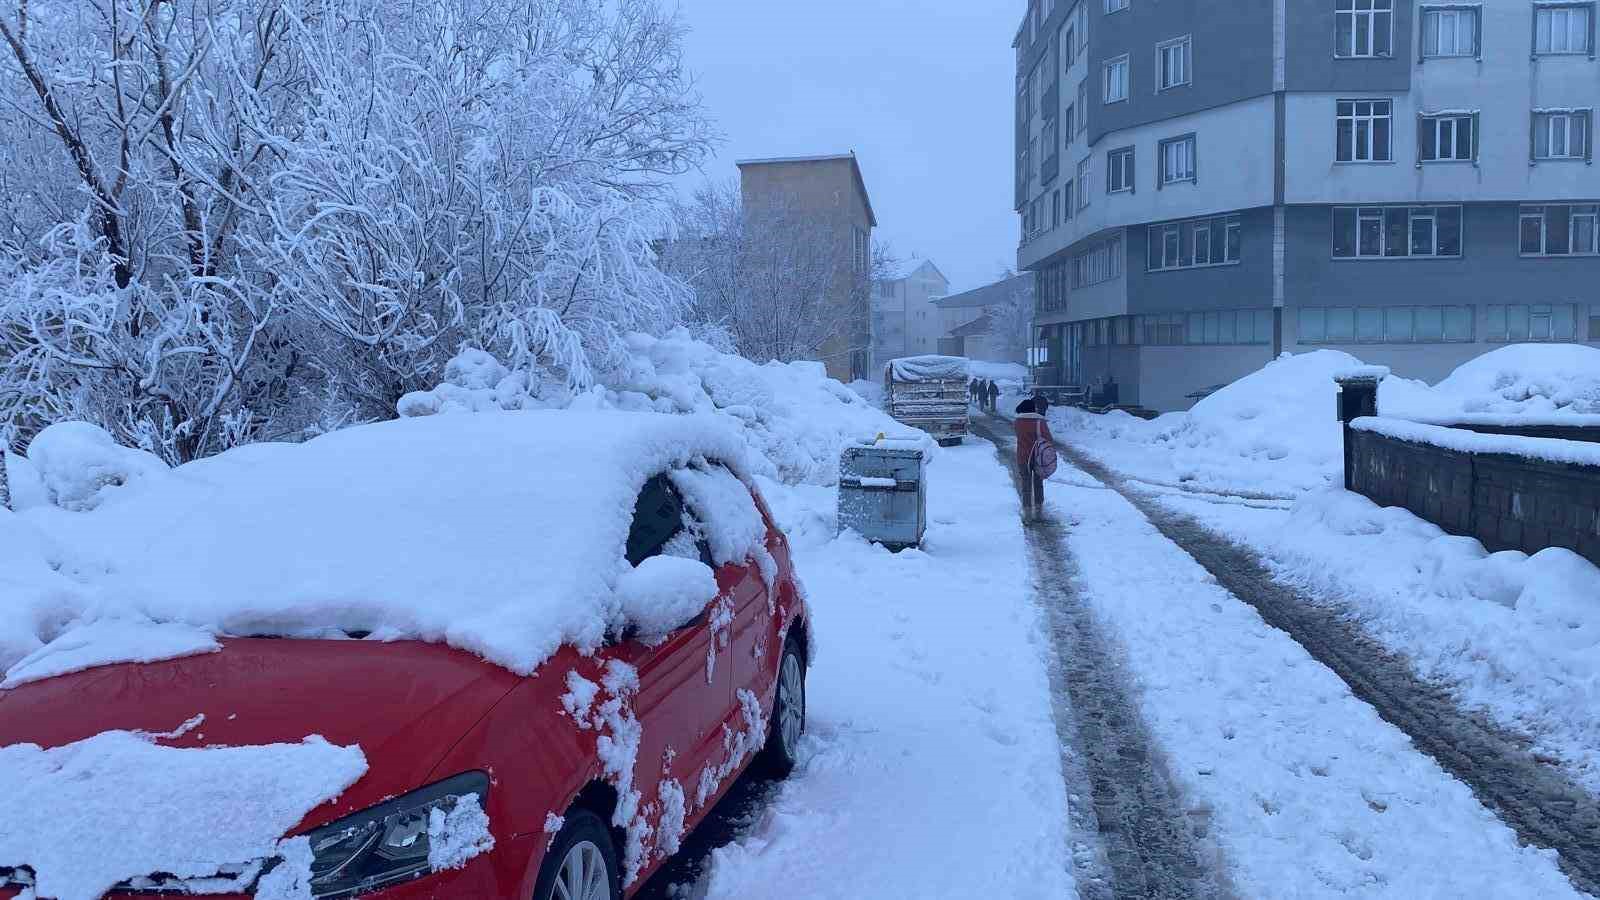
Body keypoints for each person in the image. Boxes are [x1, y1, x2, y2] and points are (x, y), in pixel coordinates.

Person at [1014, 397, 1058, 524]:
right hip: (1038, 458)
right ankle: (1038, 513)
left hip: (1023, 457)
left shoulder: (1017, 422)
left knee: (1025, 486)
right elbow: (1049, 438)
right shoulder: (1040, 422)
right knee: (1038, 485)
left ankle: (1027, 514)